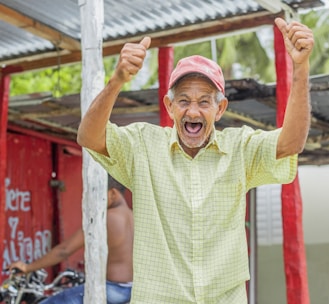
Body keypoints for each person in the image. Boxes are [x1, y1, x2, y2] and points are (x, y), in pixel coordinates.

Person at [77, 17, 313, 304]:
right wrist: (117, 81)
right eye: (184, 101)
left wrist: (300, 68)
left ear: (220, 108)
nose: (193, 111)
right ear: (169, 106)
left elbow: (290, 143)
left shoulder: (240, 148)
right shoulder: (143, 145)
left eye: (204, 102)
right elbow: (89, 137)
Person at [8, 175, 134, 304]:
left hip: (111, 290)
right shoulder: (134, 217)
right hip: (132, 289)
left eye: (98, 194)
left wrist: (27, 267)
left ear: (113, 193)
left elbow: (64, 250)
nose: (94, 200)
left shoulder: (105, 219)